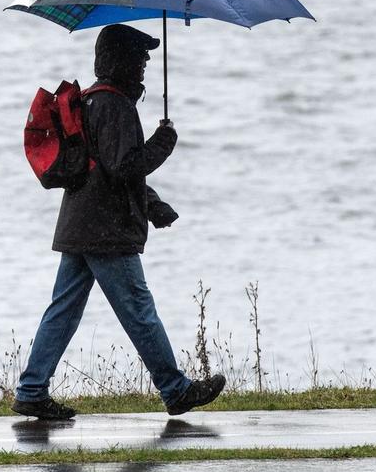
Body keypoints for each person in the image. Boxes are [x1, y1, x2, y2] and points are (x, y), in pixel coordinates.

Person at [13, 23, 226, 420]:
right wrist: (162, 146)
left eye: (146, 58)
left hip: (80, 224)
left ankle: (31, 390)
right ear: (119, 61)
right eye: (139, 57)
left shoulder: (93, 101)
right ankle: (175, 389)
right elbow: (123, 166)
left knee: (63, 310)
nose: (144, 65)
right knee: (138, 309)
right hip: (105, 231)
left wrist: (152, 203)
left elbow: (102, 171)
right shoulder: (115, 106)